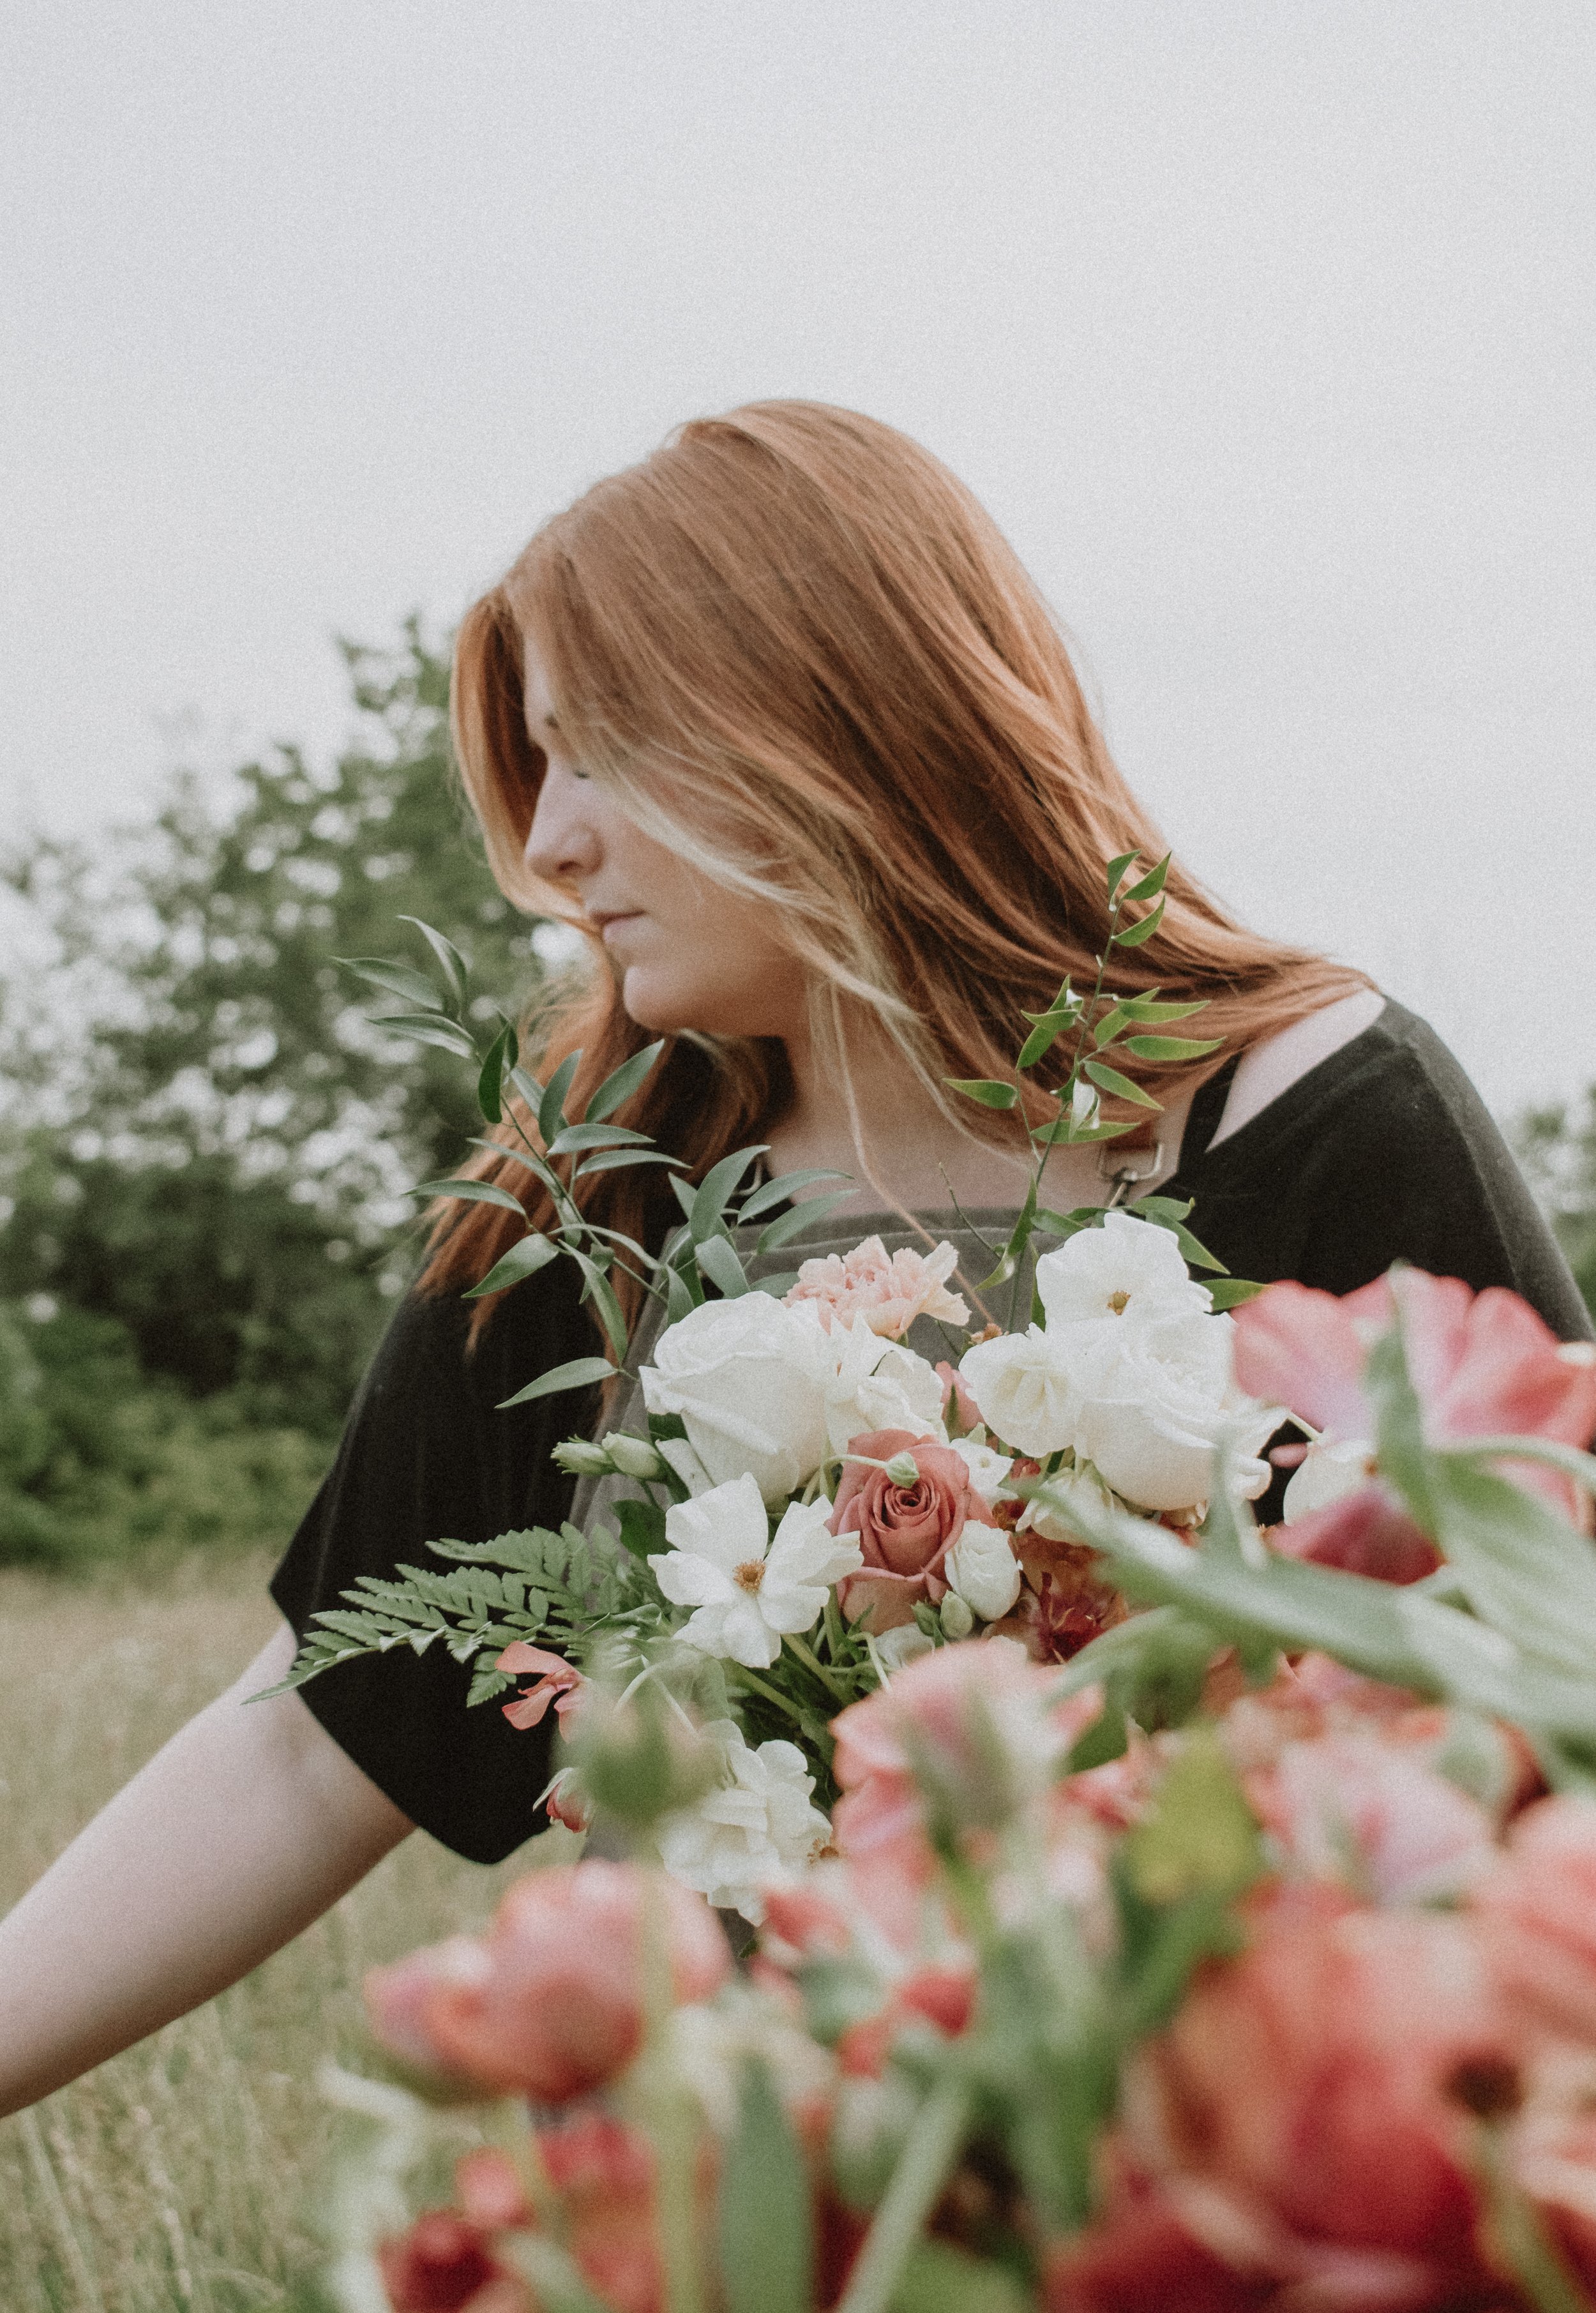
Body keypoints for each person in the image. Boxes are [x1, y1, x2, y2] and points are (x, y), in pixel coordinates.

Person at [0, 401, 1587, 2121]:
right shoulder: (595, 1184)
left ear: (832, 726)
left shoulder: (1312, 1114)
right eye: (540, 770)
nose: (548, 850)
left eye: (601, 752)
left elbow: (1548, 1689)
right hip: (724, 2185)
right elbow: (315, 1737)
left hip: (1207, 2166)